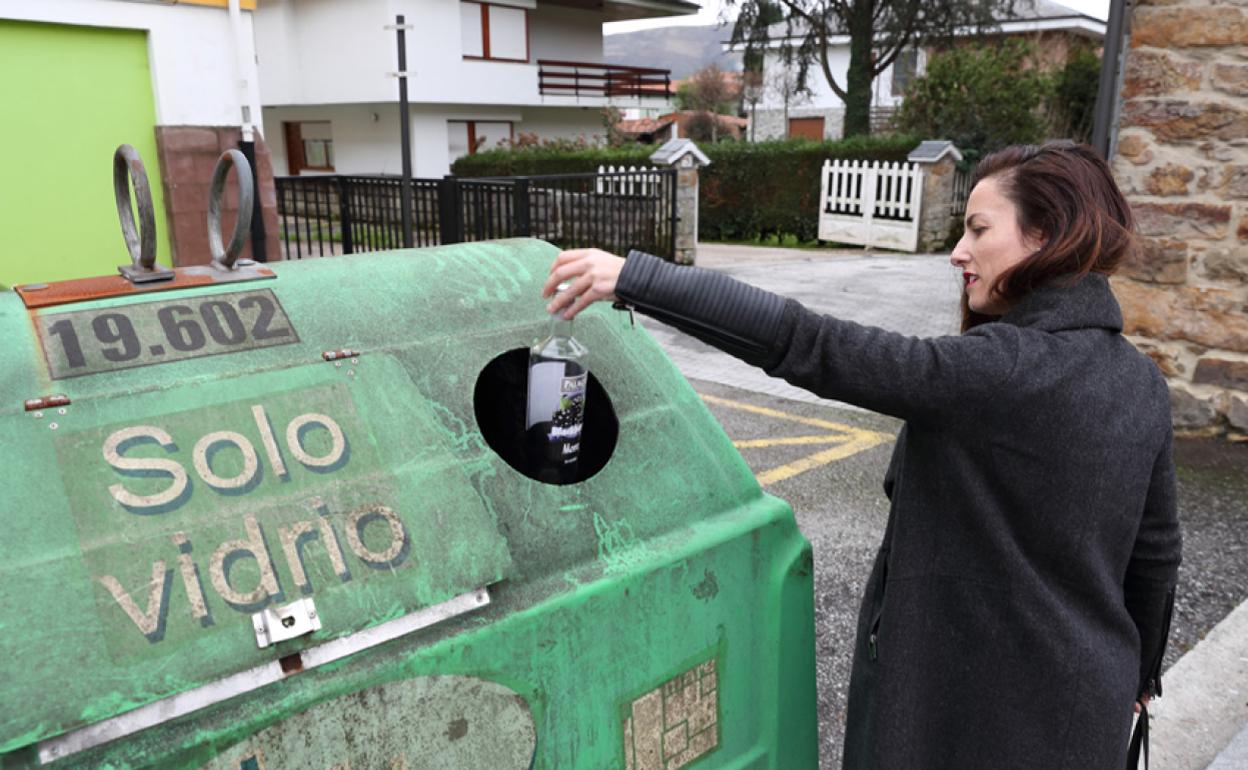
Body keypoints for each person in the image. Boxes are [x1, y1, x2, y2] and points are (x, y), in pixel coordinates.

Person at [542, 141, 1181, 769]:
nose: (959, 251)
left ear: (1044, 236)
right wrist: (1140, 675)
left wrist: (634, 277)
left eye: (978, 229)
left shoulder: (999, 370)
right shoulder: (1142, 383)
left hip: (976, 713)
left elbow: (809, 342)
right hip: (1089, 706)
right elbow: (1154, 550)